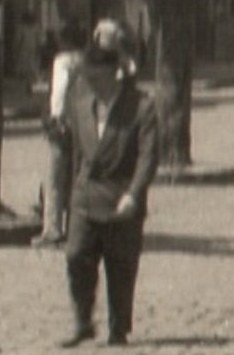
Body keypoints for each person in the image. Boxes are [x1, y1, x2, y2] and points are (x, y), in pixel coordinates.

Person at [60, 23, 160, 348]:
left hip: (121, 198)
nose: (91, 83)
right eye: (87, 77)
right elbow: (75, 153)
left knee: (120, 267)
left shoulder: (141, 107)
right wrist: (69, 194)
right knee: (76, 256)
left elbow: (148, 157)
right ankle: (82, 320)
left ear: (113, 73)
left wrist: (134, 194)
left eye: (96, 77)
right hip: (86, 196)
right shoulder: (80, 103)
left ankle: (119, 327)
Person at [37, 21, 89, 247]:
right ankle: (78, 227)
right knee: (76, 176)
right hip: (84, 124)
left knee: (55, 177)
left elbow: (59, 90)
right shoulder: (88, 61)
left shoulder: (63, 62)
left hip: (64, 124)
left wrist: (55, 117)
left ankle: (52, 229)